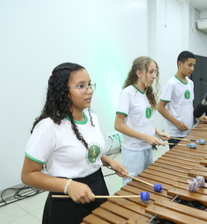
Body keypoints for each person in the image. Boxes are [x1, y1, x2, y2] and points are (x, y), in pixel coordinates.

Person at [21, 62, 127, 224]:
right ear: (63, 91)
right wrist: (68, 186)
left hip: (98, 187)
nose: (89, 90)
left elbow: (86, 153)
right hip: (66, 201)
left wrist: (107, 160)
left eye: (90, 84)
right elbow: (28, 175)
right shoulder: (48, 127)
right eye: (81, 86)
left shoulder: (92, 118)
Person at [114, 56, 170, 186]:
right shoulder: (127, 93)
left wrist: (156, 132)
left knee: (146, 182)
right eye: (151, 72)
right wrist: (145, 136)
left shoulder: (146, 93)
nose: (154, 76)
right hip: (134, 151)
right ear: (139, 73)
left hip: (147, 148)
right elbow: (118, 125)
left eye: (155, 72)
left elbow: (142, 121)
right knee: (132, 185)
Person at [157, 51, 207, 149]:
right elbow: (160, 107)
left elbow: (188, 105)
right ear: (180, 64)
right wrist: (177, 123)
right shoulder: (171, 83)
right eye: (189, 65)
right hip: (175, 133)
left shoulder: (190, 83)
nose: (192, 69)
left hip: (188, 130)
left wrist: (198, 116)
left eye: (193, 65)